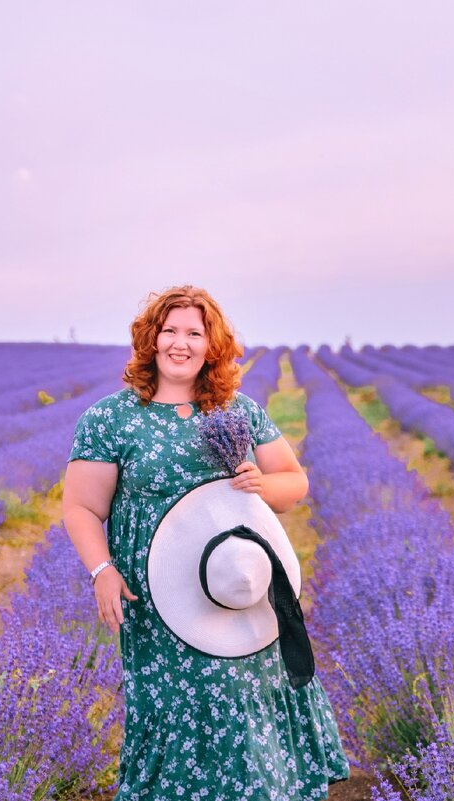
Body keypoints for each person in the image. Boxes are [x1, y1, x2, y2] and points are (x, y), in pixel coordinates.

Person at [62, 286, 349, 800]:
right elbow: (82, 507)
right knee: (176, 701)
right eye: (169, 331)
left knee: (245, 698)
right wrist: (101, 570)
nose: (180, 343)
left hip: (237, 583)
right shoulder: (112, 419)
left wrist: (260, 483)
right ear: (150, 341)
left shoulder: (236, 411)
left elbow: (294, 482)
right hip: (157, 594)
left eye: (194, 333)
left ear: (211, 345)